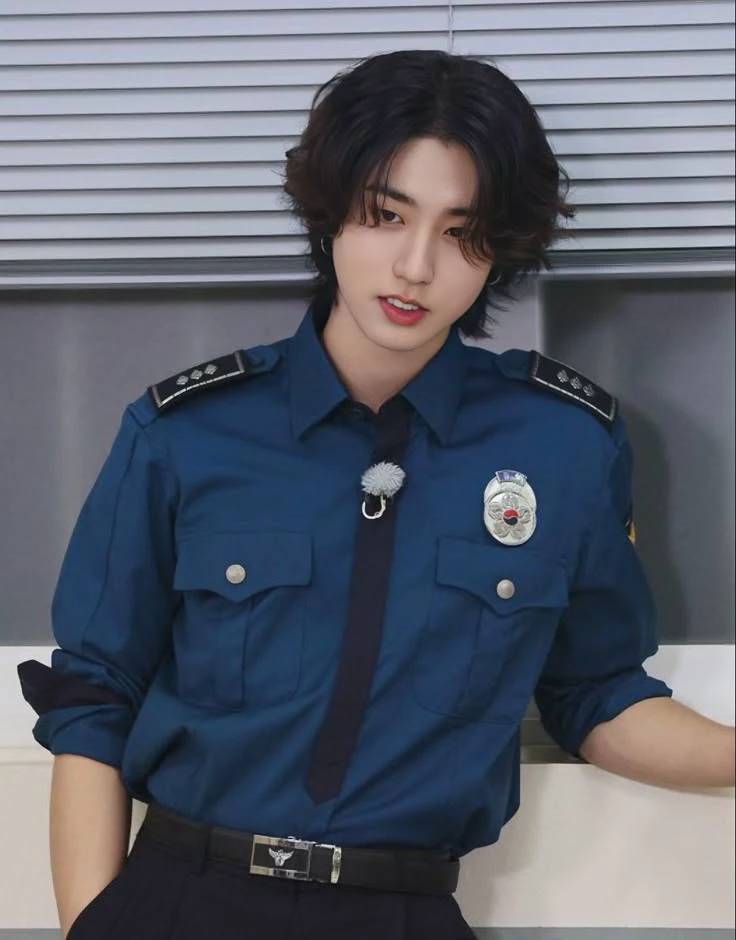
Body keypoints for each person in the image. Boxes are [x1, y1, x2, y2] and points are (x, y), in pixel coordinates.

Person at [17, 49, 735, 940]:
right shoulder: (185, 432)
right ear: (330, 212)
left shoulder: (565, 446)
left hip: (403, 910)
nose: (416, 266)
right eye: (386, 215)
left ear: (501, 248)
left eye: (463, 232)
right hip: (179, 901)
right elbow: (95, 698)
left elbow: (598, 697)